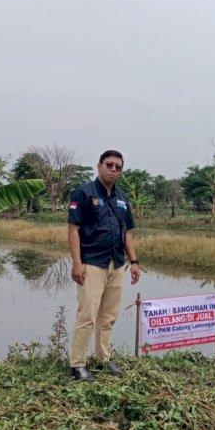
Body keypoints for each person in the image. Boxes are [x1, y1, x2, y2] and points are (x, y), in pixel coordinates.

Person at [67, 150, 141, 381]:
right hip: (91, 263)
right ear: (99, 166)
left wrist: (134, 261)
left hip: (116, 263)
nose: (113, 170)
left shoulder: (122, 198)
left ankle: (103, 358)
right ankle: (78, 364)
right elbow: (73, 230)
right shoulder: (83, 193)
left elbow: (127, 232)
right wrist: (77, 263)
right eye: (109, 165)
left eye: (118, 167)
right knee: (87, 315)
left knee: (108, 316)